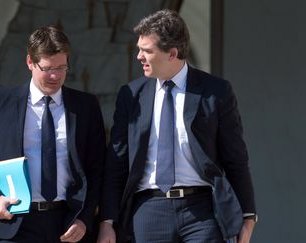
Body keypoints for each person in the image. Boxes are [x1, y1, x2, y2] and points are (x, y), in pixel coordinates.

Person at [97, 9, 257, 243]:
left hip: (203, 212)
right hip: (149, 209)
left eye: (147, 50)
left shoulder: (215, 92)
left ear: (172, 53)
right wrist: (107, 221)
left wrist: (248, 215)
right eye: (139, 48)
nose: (139, 56)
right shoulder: (131, 95)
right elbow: (117, 163)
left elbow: (236, 158)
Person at [0, 26, 106, 243]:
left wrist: (84, 218)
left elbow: (97, 168)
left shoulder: (85, 106)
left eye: (62, 67)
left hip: (68, 223)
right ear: (30, 62)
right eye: (47, 68)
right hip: (16, 223)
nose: (55, 75)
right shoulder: (2, 101)